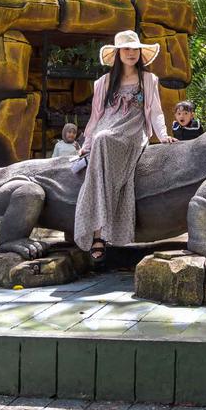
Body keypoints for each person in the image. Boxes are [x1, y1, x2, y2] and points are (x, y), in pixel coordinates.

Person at [75, 30, 176, 263]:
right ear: (118, 53)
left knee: (104, 141)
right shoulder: (103, 82)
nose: (131, 53)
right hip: (105, 131)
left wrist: (163, 136)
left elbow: (155, 111)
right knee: (101, 140)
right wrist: (86, 143)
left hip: (132, 131)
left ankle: (100, 233)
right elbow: (95, 117)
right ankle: (98, 233)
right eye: (127, 49)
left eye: (135, 49)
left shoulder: (148, 80)